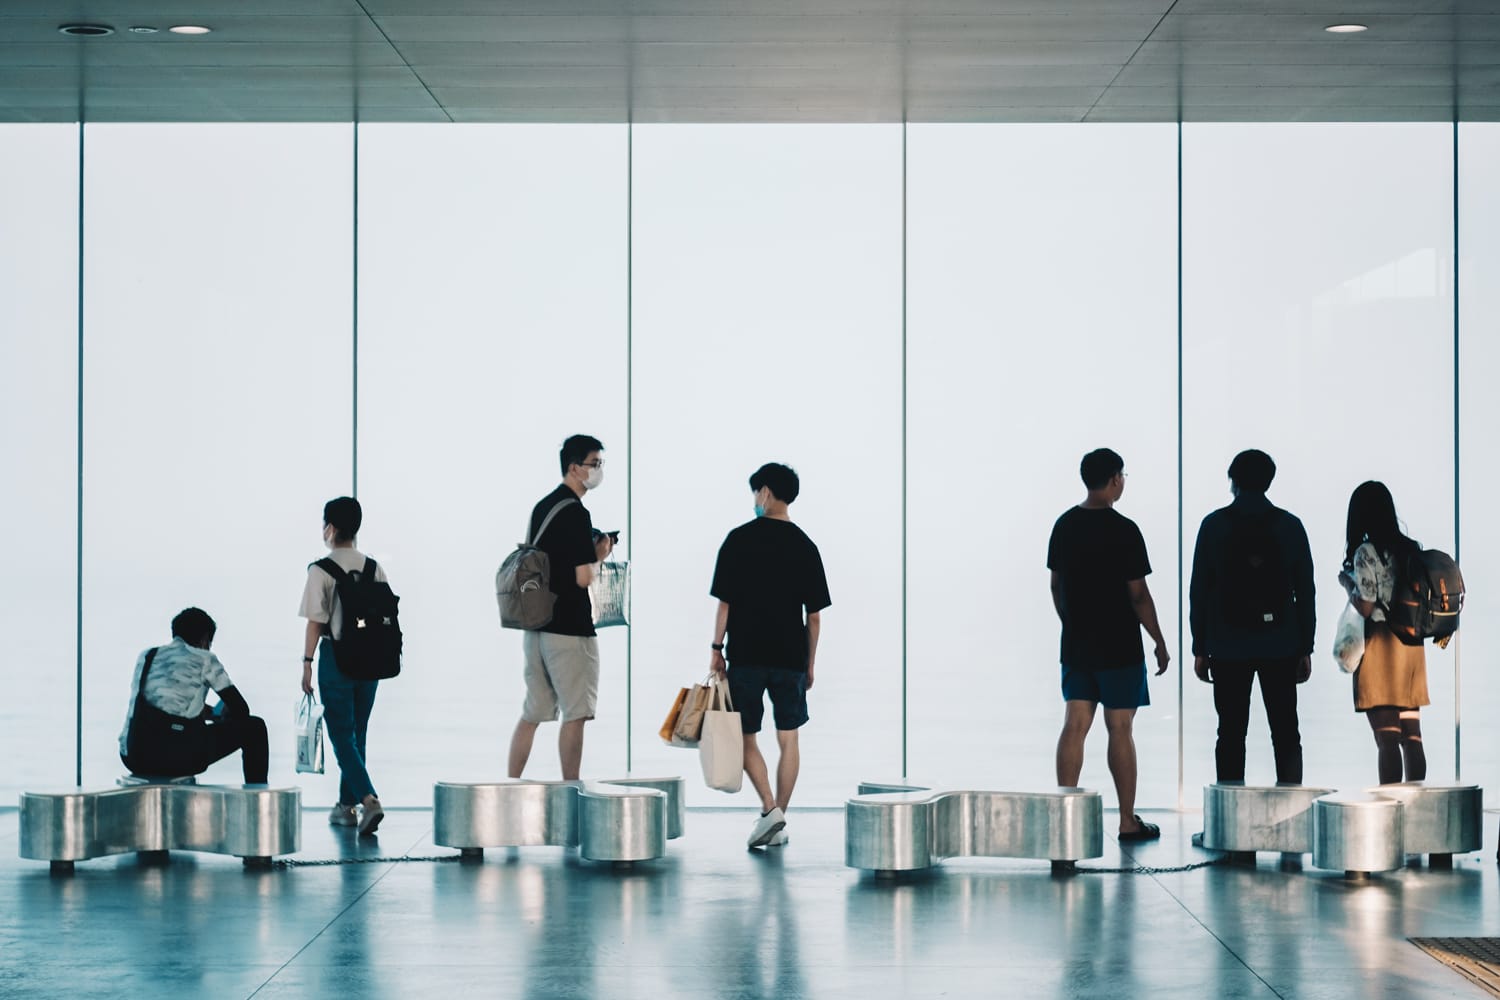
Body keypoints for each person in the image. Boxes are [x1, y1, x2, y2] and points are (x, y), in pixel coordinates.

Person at [1047, 448, 1171, 842]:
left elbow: (1056, 585)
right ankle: (1127, 821)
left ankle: (1065, 819)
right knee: (1120, 728)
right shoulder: (1125, 530)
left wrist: (1072, 623)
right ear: (1115, 478)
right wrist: (1159, 640)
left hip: (1078, 644)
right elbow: (1138, 595)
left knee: (1074, 724)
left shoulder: (1064, 525)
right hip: (1119, 645)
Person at [709, 463, 831, 849]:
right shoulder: (805, 546)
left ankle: (768, 809)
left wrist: (716, 651)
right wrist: (809, 663)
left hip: (745, 654)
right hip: (790, 656)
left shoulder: (738, 539)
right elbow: (813, 617)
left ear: (764, 492)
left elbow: (725, 605)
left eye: (755, 493)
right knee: (788, 738)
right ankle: (779, 814)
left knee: (746, 736)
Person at [1189, 450, 1316, 785]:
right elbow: (1305, 592)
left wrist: (1199, 647)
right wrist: (1306, 646)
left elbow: (1199, 591)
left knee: (1230, 733)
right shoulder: (1290, 526)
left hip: (1228, 644)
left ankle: (1231, 815)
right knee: (1286, 731)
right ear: (1269, 481)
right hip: (1281, 643)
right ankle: (1291, 807)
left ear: (1233, 480)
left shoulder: (1213, 525)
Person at [507, 434, 614, 782]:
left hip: (536, 625)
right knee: (576, 713)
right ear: (574, 468)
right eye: (594, 464)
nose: (598, 471)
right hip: (569, 629)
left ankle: (511, 786)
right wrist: (598, 556)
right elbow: (583, 578)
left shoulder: (543, 507)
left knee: (533, 713)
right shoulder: (577, 513)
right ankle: (571, 790)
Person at [300, 496, 389, 835]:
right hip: (373, 659)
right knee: (357, 733)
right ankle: (345, 807)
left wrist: (307, 663)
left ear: (331, 528)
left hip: (337, 659)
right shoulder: (373, 567)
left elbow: (314, 622)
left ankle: (368, 800)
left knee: (340, 733)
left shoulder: (320, 569)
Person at [1338, 480, 1430, 784]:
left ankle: (1390, 809)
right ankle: (1416, 805)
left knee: (1386, 738)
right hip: (1411, 647)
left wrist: (1348, 583)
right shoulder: (1409, 549)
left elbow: (1365, 606)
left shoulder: (1366, 552)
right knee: (1411, 736)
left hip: (1381, 644)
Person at [119, 607, 268, 785]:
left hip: (133, 755)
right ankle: (257, 796)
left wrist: (209, 712)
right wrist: (223, 715)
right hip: (178, 759)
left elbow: (167, 706)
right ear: (205, 639)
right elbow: (241, 710)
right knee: (255, 728)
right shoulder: (205, 659)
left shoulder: (147, 656)